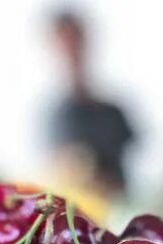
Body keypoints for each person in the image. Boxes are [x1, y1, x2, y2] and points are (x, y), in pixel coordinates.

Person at [47, 10, 135, 198]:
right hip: (79, 211)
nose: (72, 52)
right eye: (65, 44)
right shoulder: (53, 116)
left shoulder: (114, 111)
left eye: (76, 42)